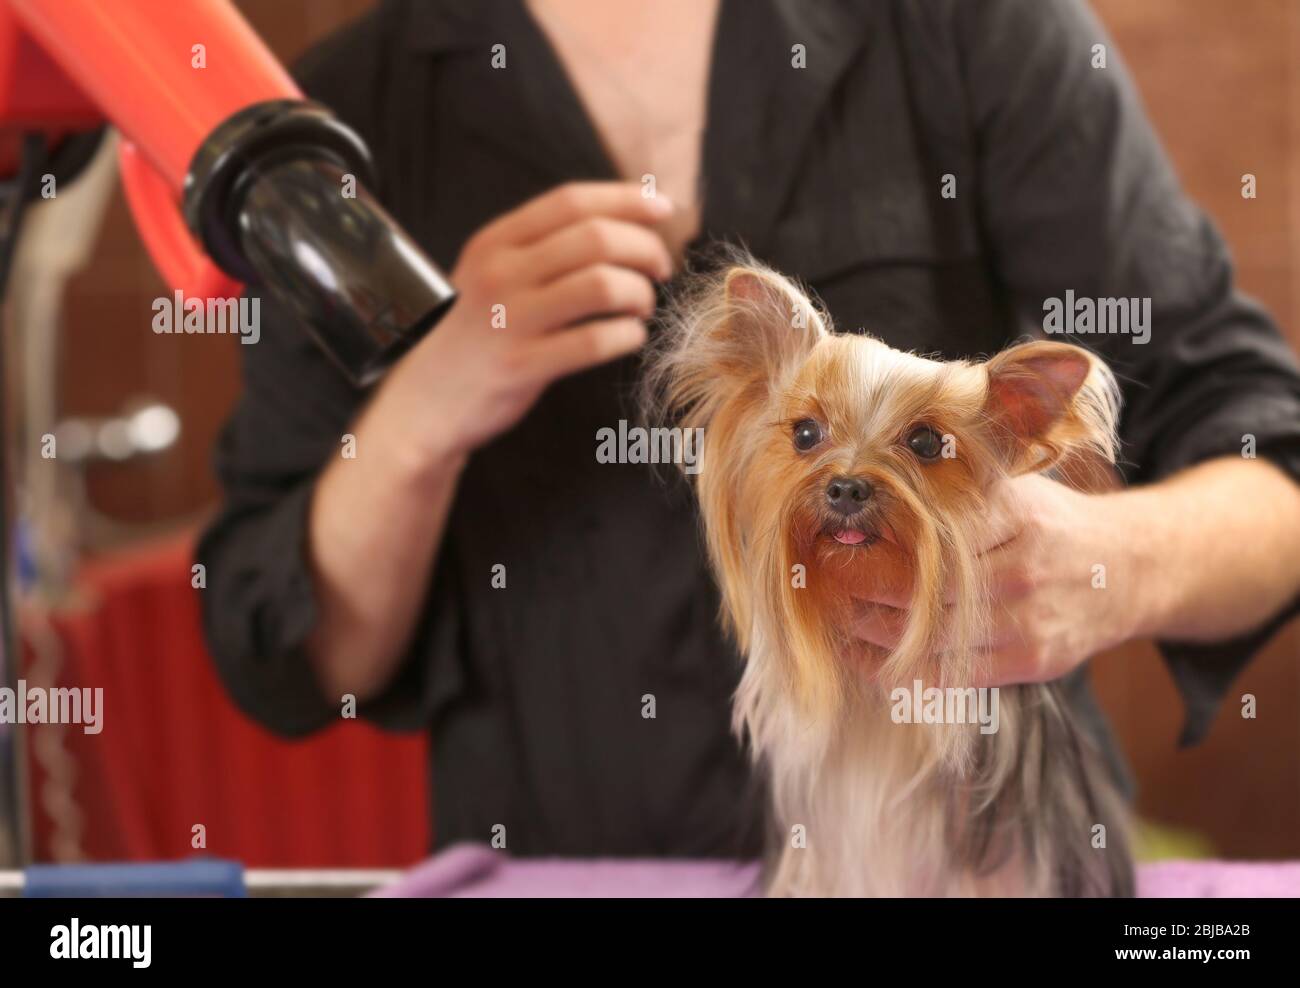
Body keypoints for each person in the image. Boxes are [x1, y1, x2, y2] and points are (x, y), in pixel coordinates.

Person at [198, 0, 1300, 858]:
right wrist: (419, 412)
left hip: (974, 842)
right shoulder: (340, 121)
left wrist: (1108, 566)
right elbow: (292, 656)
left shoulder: (967, 27)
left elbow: (1270, 458)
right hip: (569, 862)